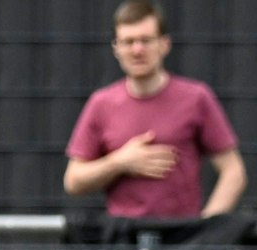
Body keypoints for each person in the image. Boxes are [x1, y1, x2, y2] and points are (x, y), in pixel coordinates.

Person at [63, 1, 246, 219]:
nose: (137, 50)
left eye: (146, 40)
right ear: (116, 48)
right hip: (122, 241)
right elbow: (73, 180)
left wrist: (205, 229)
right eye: (128, 42)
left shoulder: (196, 98)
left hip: (181, 239)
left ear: (164, 44)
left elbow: (233, 172)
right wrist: (119, 162)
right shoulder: (101, 103)